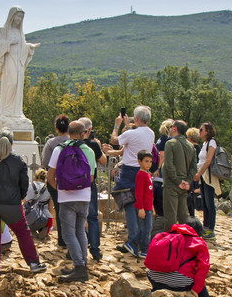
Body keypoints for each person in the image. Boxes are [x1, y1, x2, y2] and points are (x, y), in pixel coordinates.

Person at [0, 129, 48, 285]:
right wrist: (18, 197)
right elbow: (23, 185)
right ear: (12, 144)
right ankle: (33, 262)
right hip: (11, 205)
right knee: (22, 232)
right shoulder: (18, 161)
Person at [48, 121, 96, 282]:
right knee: (80, 231)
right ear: (83, 133)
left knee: (68, 233)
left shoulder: (59, 149)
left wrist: (60, 190)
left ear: (68, 133)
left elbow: (50, 176)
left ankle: (80, 267)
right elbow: (91, 178)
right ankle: (82, 263)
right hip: (84, 197)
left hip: (66, 197)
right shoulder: (88, 151)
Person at [105, 106, 155, 256]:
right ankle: (140, 243)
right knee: (141, 205)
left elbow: (115, 140)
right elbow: (132, 144)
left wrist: (117, 125)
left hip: (128, 172)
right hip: (143, 171)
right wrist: (128, 126)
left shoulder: (131, 133)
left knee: (130, 206)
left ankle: (132, 242)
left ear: (137, 119)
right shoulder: (151, 133)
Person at [146, 217, 212, 297]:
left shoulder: (168, 235)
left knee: (157, 276)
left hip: (155, 277)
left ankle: (157, 291)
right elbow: (203, 267)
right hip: (180, 282)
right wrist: (196, 290)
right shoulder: (199, 242)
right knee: (201, 284)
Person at [0, 6, 40, 118]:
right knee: (11, 83)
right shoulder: (3, 30)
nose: (19, 19)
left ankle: (15, 112)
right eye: (18, 16)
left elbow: (22, 46)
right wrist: (9, 43)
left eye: (21, 17)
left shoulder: (20, 33)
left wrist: (29, 47)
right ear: (12, 16)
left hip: (18, 62)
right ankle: (6, 110)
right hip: (9, 61)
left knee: (18, 85)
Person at [79, 117, 107, 261]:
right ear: (89, 130)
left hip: (73, 185)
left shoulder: (69, 145)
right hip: (89, 183)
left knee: (77, 218)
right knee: (92, 217)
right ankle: (95, 249)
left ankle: (77, 248)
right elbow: (103, 161)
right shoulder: (92, 145)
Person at [161, 120, 197, 233]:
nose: (170, 129)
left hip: (172, 184)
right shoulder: (191, 146)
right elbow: (193, 167)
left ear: (175, 128)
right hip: (184, 184)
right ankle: (184, 239)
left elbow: (169, 165)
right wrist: (187, 181)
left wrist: (177, 181)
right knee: (183, 215)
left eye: (171, 126)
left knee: (170, 215)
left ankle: (170, 240)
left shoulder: (170, 143)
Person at [41, 114, 70, 247]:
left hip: (56, 180)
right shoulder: (75, 141)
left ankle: (62, 239)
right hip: (74, 181)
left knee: (59, 209)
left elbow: (45, 162)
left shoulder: (51, 143)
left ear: (56, 128)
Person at [194, 122, 219, 240]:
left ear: (208, 131)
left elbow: (208, 161)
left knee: (209, 202)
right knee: (204, 202)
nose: (200, 132)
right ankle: (206, 225)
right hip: (203, 176)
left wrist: (199, 174)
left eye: (201, 129)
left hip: (208, 176)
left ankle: (210, 228)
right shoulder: (204, 143)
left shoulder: (211, 142)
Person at [134, 150, 155, 257]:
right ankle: (144, 250)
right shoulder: (141, 175)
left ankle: (143, 248)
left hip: (148, 207)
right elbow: (139, 192)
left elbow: (150, 193)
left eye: (150, 162)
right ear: (139, 161)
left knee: (148, 228)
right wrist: (141, 208)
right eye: (146, 161)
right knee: (145, 229)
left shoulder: (148, 174)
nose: (149, 164)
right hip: (143, 208)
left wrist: (152, 207)